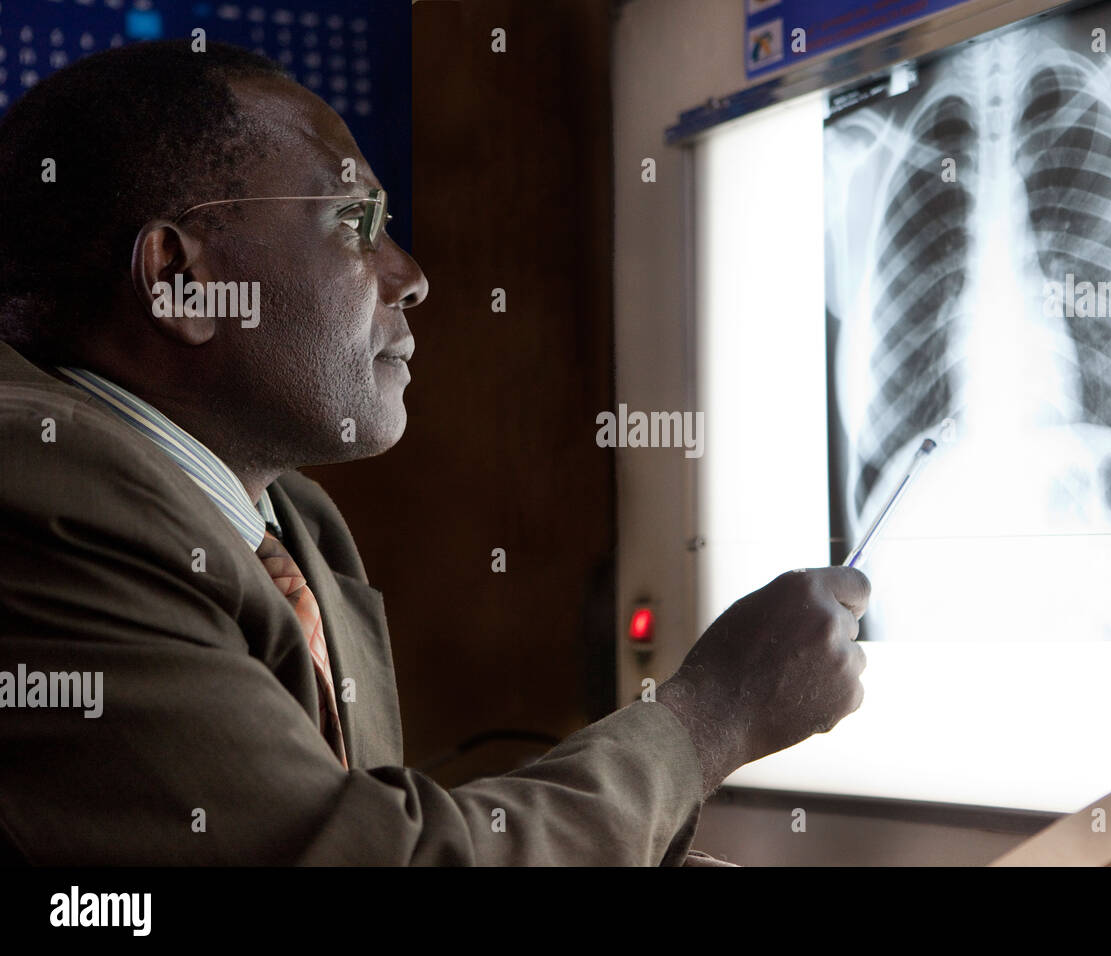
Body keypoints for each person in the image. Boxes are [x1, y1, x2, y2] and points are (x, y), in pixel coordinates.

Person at [0, 41, 869, 865]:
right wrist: (711, 715)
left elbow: (359, 826)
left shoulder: (291, 522)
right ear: (181, 281)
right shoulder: (40, 495)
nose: (410, 274)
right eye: (355, 223)